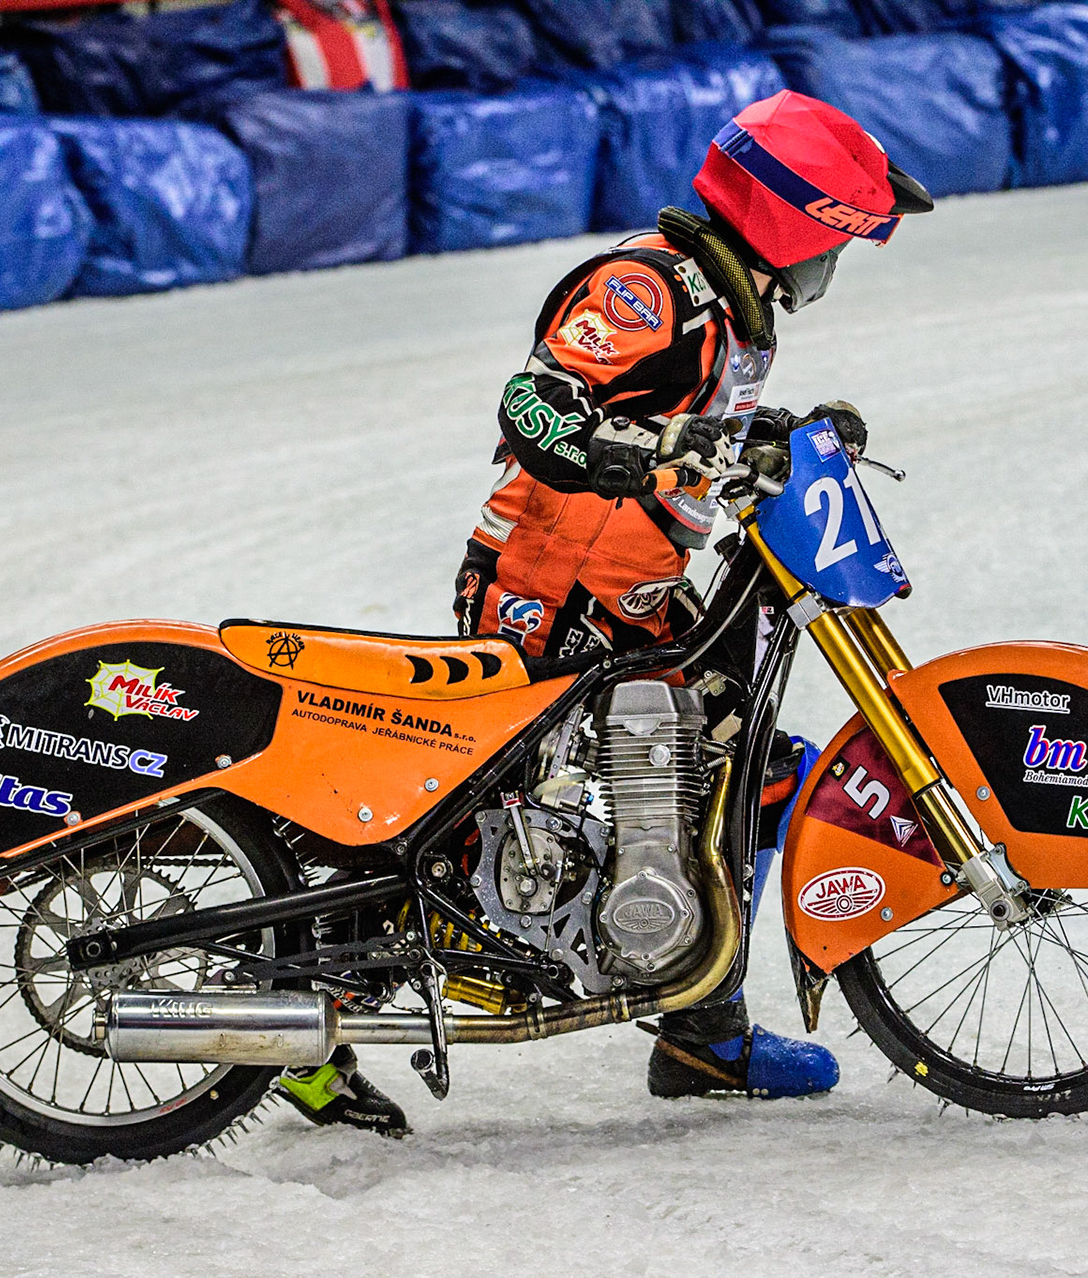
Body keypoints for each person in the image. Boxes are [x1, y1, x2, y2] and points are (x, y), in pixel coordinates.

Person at [279, 90, 934, 1137]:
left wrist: (779, 432)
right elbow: (535, 405)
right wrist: (639, 456)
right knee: (464, 822)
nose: (828, 276)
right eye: (832, 247)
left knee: (752, 770)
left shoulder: (726, 306)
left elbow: (678, 416)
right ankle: (298, 1019)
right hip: (545, 588)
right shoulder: (647, 289)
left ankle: (701, 1033)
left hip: (630, 590)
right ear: (792, 222)